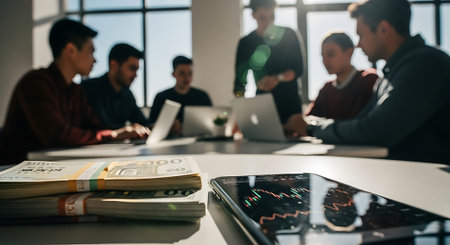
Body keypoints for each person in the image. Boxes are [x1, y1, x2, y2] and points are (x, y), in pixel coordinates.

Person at [284, 0, 450, 164]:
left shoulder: (425, 64)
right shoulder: (389, 75)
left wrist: (312, 127)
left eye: (361, 35)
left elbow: (375, 131)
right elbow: (360, 124)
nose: (358, 44)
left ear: (383, 29)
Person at [0, 19, 149, 165]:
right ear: (71, 50)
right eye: (91, 51)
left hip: (51, 167)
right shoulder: (35, 83)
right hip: (15, 173)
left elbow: (94, 127)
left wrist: (117, 133)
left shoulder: (75, 90)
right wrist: (113, 134)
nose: (95, 60)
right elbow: (57, 135)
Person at [234, 0, 304, 124]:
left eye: (271, 17)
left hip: (290, 106)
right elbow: (240, 84)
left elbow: (298, 69)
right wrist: (238, 115)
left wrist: (277, 78)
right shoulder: (246, 43)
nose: (268, 22)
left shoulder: (288, 35)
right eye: (262, 17)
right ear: (253, 15)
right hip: (263, 107)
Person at [305, 32, 378, 120]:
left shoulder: (368, 80)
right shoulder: (326, 89)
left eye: (331, 54)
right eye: (323, 56)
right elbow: (307, 120)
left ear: (349, 53)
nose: (325, 61)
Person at [81, 43, 148, 129]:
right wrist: (128, 129)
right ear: (114, 65)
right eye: (132, 68)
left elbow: (143, 122)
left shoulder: (127, 94)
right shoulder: (90, 88)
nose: (135, 75)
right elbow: (100, 126)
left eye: (137, 70)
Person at [149, 55, 212, 136]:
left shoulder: (203, 96)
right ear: (173, 74)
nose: (187, 78)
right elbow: (150, 125)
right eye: (182, 73)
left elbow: (212, 122)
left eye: (190, 73)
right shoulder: (161, 97)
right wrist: (167, 127)